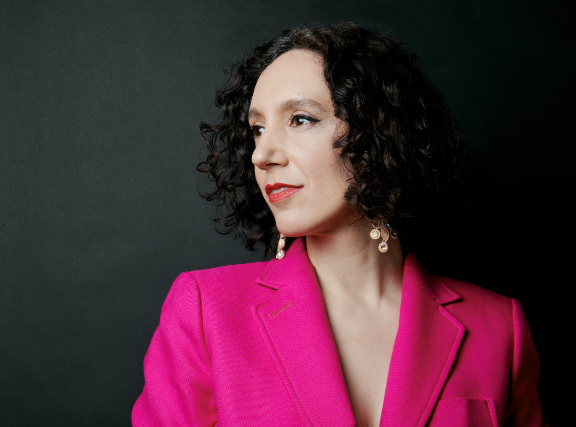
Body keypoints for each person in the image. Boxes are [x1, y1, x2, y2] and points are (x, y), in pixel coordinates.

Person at [132, 23, 546, 427]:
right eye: (257, 129)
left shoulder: (498, 328)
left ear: (379, 133)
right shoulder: (206, 311)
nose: (262, 154)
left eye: (300, 119)